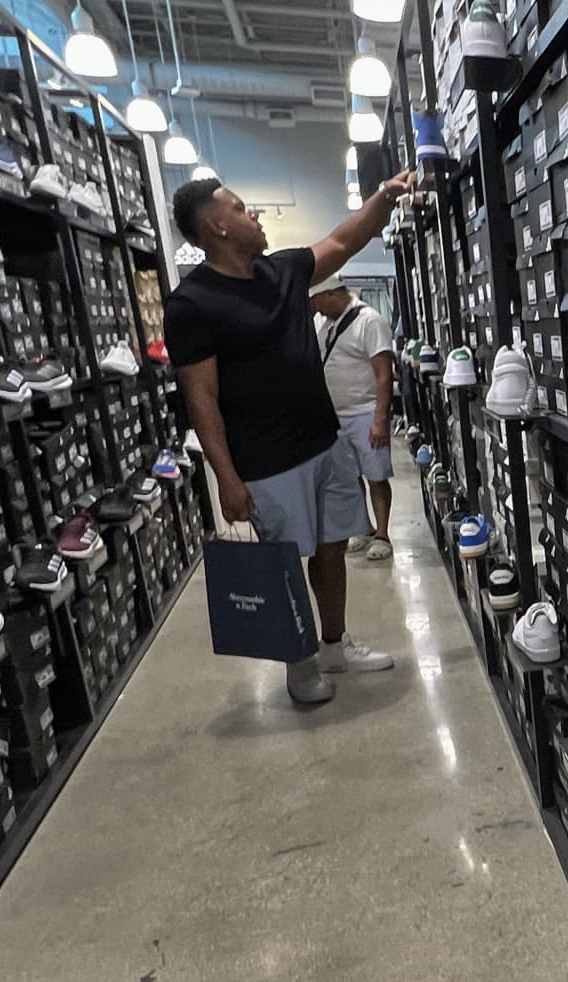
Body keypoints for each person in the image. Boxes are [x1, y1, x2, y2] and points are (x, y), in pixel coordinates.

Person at [162, 170, 414, 704]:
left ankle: (333, 645)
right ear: (217, 227)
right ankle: (299, 661)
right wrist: (226, 479)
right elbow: (201, 397)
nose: (254, 214)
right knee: (285, 562)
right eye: (240, 206)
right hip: (267, 463)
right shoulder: (193, 305)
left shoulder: (284, 271)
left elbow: (345, 239)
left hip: (324, 441)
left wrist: (384, 196)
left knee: (332, 546)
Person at [309, 276, 397, 560]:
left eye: (318, 302)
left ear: (332, 293)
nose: (316, 309)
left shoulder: (369, 321)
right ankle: (364, 527)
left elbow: (384, 374)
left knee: (376, 476)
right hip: (336, 416)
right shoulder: (326, 325)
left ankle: (382, 533)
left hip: (366, 412)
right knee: (350, 476)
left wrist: (380, 419)